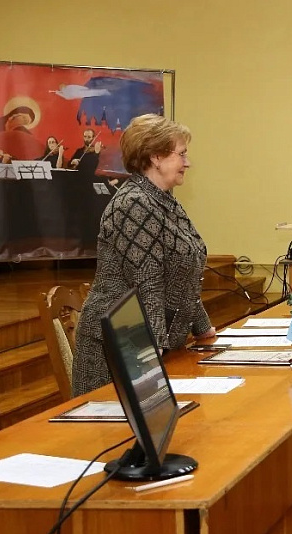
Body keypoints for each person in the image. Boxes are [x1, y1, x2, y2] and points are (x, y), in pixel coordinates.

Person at [72, 114, 215, 395]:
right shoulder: (133, 203)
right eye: (181, 154)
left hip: (146, 346)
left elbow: (184, 273)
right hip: (116, 352)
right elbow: (147, 282)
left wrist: (203, 329)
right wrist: (154, 352)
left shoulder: (164, 200)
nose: (187, 162)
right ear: (156, 157)